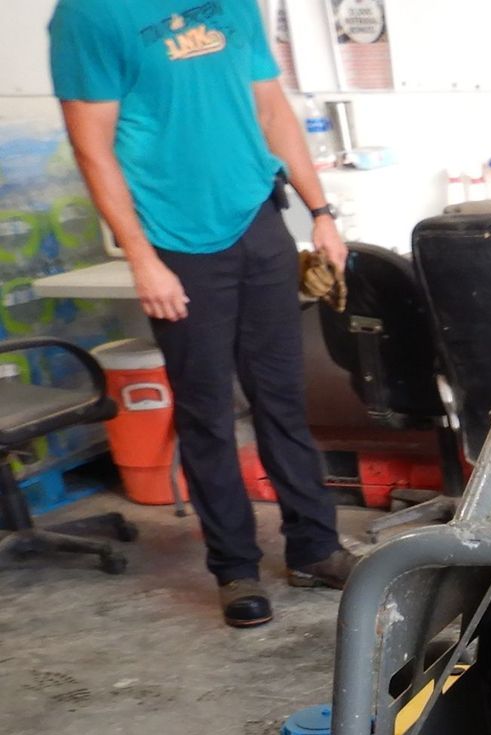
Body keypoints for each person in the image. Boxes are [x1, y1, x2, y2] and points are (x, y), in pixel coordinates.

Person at [49, 0, 356, 629]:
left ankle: (315, 548)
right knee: (207, 412)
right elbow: (92, 147)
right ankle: (236, 568)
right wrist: (143, 261)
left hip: (258, 220)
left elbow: (271, 109)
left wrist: (321, 213)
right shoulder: (89, 15)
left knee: (282, 399)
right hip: (176, 242)